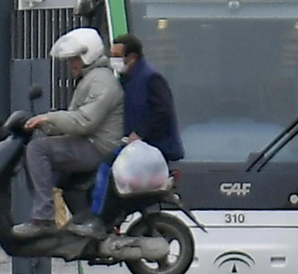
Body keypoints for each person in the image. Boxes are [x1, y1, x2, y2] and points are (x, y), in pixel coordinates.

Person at [11, 28, 123, 239]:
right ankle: (82, 221)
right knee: (51, 162)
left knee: (37, 150)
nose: (71, 64)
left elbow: (84, 121)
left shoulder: (101, 80)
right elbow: (75, 118)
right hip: (90, 143)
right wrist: (44, 124)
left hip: (98, 147)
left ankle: (43, 218)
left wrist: (49, 119)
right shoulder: (92, 78)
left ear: (88, 56)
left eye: (75, 59)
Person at [72, 33, 184, 239]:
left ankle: (97, 220)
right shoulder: (128, 77)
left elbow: (163, 112)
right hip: (139, 144)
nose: (112, 59)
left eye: (116, 55)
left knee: (107, 165)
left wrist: (140, 135)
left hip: (153, 146)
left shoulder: (151, 77)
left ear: (131, 57)